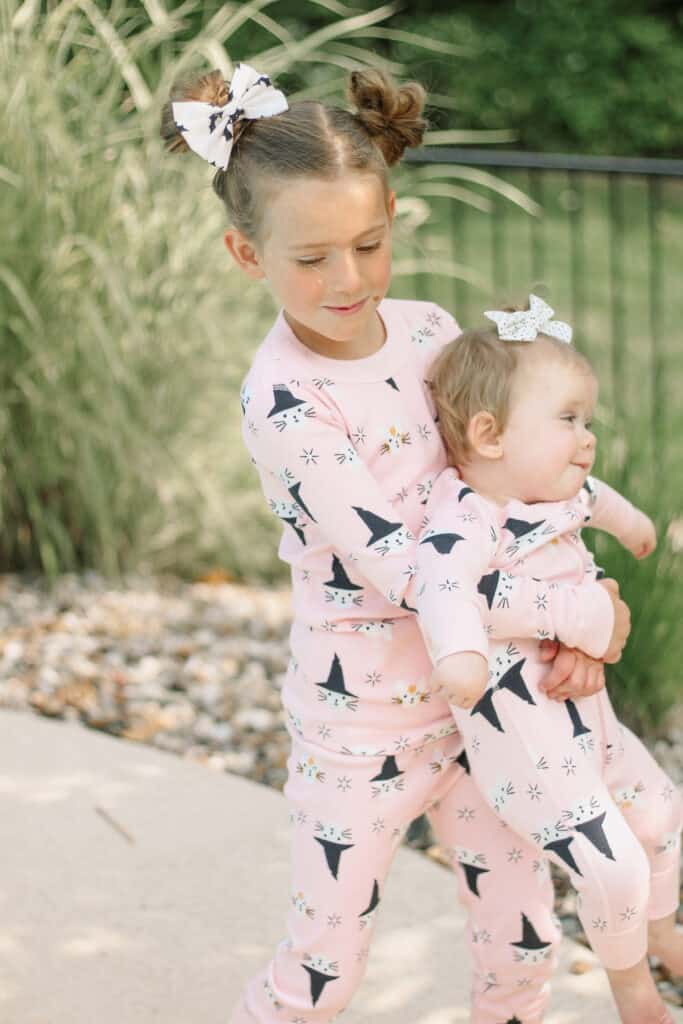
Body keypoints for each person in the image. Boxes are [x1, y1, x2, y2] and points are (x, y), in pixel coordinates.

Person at [161, 65, 632, 1024]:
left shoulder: (428, 335)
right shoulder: (287, 403)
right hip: (361, 726)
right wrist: (576, 614)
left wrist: (560, 638)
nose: (347, 279)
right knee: (324, 965)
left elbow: (498, 492)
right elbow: (408, 571)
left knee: (522, 932)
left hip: (485, 708)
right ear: (246, 254)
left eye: (368, 245)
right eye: (312, 258)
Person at [415, 296, 683, 1024]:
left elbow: (601, 504)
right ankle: (632, 991)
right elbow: (442, 587)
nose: (586, 437)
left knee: (661, 813)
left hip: (588, 728)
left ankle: (661, 932)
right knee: (613, 863)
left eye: (586, 420)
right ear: (488, 434)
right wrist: (463, 657)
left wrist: (634, 532)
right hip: (529, 750)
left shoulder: (554, 495)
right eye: (567, 420)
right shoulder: (467, 520)